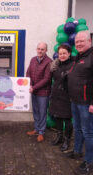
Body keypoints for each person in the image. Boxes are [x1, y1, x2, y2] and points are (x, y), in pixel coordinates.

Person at [66, 31, 93, 174]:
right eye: (77, 42)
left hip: (86, 103)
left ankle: (89, 162)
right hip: (75, 101)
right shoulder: (78, 57)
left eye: (81, 41)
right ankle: (77, 151)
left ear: (89, 41)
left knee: (89, 132)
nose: (79, 44)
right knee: (78, 129)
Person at [26, 42, 52, 142]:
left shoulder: (49, 61)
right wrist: (29, 84)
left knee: (42, 112)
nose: (40, 51)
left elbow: (47, 79)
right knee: (36, 111)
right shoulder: (33, 59)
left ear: (46, 50)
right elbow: (28, 72)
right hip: (34, 91)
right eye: (38, 49)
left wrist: (34, 87)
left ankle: (41, 132)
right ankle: (36, 129)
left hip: (43, 93)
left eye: (42, 49)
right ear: (36, 49)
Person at [49, 44, 73, 151]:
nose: (62, 55)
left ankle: (67, 140)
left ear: (69, 54)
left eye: (64, 53)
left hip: (68, 97)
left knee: (67, 120)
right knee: (58, 117)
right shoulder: (56, 64)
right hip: (56, 95)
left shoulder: (73, 64)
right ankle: (59, 137)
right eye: (60, 54)